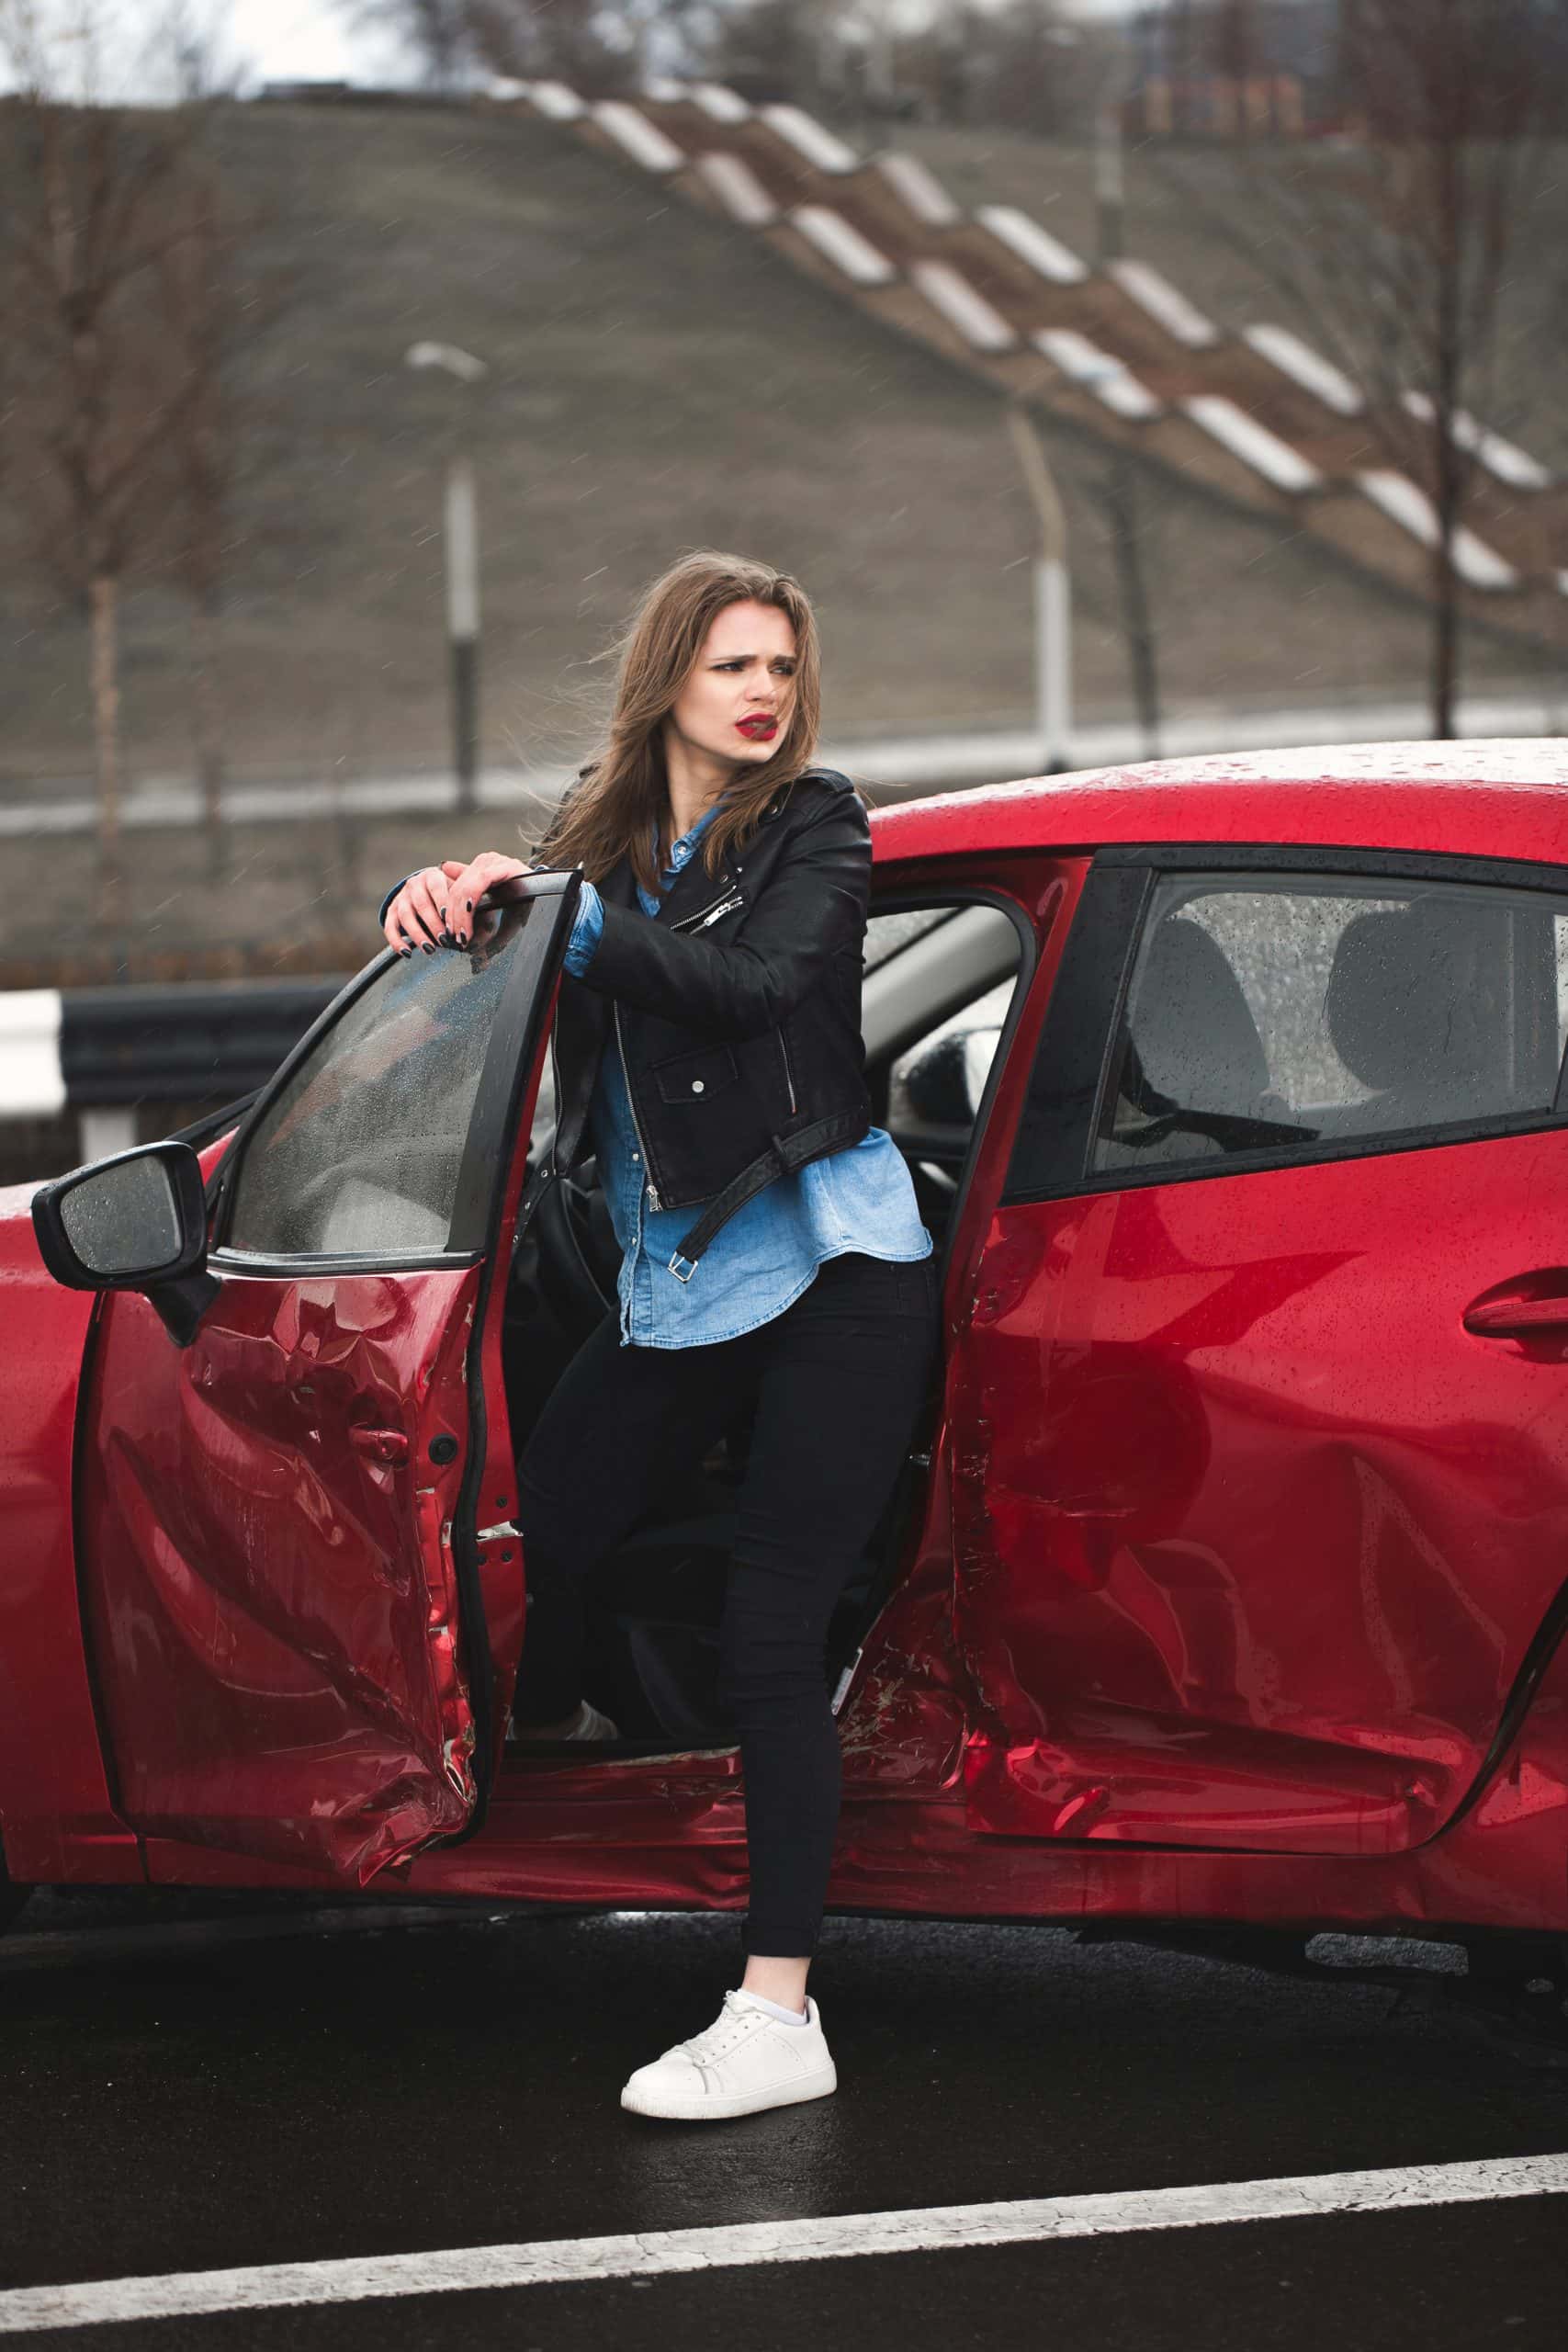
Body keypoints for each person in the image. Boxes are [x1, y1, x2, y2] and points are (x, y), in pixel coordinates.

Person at [378, 550, 939, 2122]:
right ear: (669, 680)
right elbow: (501, 940)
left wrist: (564, 926)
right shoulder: (599, 834)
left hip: (834, 1267)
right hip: (678, 1281)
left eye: (781, 668)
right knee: (545, 1524)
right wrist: (428, 898)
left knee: (773, 1633)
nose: (764, 694)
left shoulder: (815, 824)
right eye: (732, 667)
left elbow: (759, 990)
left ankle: (779, 2012)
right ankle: (548, 1733)